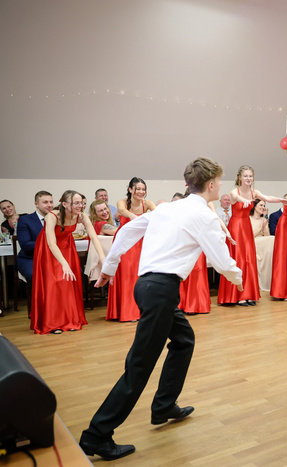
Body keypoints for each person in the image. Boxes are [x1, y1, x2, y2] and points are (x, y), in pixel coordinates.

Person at [79, 157, 242, 461]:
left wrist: (110, 268)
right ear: (210, 185)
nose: (221, 185)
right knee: (139, 366)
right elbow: (221, 261)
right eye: (220, 181)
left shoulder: (167, 208)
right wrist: (239, 278)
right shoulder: (203, 216)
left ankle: (164, 405)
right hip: (161, 291)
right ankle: (96, 436)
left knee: (183, 340)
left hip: (147, 287)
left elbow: (126, 233)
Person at [31, 190, 105, 334]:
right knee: (55, 282)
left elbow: (94, 237)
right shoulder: (52, 216)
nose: (80, 206)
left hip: (67, 247)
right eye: (76, 203)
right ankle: (53, 323)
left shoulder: (81, 216)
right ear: (64, 204)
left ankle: (70, 320)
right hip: (49, 249)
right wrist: (64, 264)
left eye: (81, 203)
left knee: (69, 282)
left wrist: (103, 259)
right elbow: (51, 243)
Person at [219, 165, 287, 306]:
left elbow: (267, 198)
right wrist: (243, 200)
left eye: (250, 176)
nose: (248, 178)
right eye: (245, 176)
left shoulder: (254, 192)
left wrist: (280, 200)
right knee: (238, 259)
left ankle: (248, 294)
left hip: (246, 226)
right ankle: (237, 296)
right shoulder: (234, 191)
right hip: (236, 227)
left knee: (249, 259)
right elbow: (236, 197)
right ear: (240, 177)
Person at [106, 177, 157, 322]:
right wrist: (133, 216)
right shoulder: (123, 202)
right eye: (138, 189)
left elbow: (157, 213)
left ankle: (138, 310)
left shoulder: (147, 203)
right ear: (130, 189)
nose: (141, 192)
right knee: (126, 274)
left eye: (143, 189)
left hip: (140, 242)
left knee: (138, 274)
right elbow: (122, 211)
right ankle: (125, 311)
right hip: (124, 241)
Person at [16, 191, 54, 284]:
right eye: (45, 202)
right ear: (36, 204)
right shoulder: (25, 220)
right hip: (31, 258)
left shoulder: (57, 219)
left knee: (75, 271)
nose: (49, 205)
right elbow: (26, 245)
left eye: (51, 202)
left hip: (53, 258)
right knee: (35, 275)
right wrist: (50, 243)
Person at [250, 199, 275, 291]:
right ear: (254, 206)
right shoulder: (248, 219)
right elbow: (249, 236)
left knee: (272, 239)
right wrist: (260, 226)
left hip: (263, 243)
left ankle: (268, 280)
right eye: (260, 205)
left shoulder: (264, 219)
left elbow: (267, 236)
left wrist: (264, 227)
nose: (263, 207)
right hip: (252, 242)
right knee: (272, 239)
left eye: (264, 206)